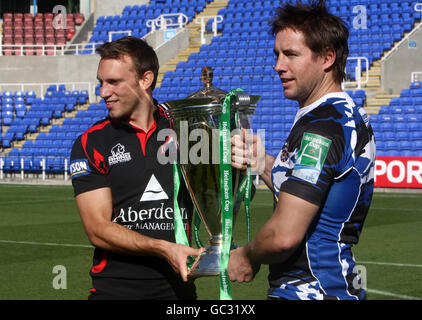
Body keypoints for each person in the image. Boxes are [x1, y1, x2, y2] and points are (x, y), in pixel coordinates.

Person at [228, 0, 376, 300]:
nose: (278, 66)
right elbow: (314, 185)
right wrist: (264, 163)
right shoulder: (336, 116)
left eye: (291, 55)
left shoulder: (322, 128)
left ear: (326, 58)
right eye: (277, 54)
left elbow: (284, 236)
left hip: (313, 291)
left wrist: (247, 255)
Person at [70, 36, 204, 300]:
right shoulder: (91, 143)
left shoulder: (188, 132)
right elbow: (97, 228)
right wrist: (163, 248)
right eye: (101, 82)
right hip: (114, 291)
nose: (103, 92)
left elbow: (217, 202)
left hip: (179, 293)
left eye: (113, 82)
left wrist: (238, 170)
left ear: (145, 80)